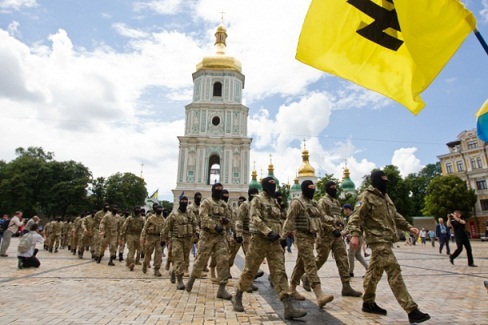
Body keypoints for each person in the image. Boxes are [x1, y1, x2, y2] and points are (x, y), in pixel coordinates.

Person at [347, 170, 430, 324]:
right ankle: (412, 310)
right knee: (394, 270)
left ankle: (368, 302)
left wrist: (408, 227)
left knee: (374, 273)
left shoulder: (386, 197)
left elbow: (395, 215)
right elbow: (355, 217)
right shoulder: (366, 196)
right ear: (375, 181)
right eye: (382, 179)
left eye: (386, 179)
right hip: (377, 240)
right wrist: (355, 234)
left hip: (387, 239)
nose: (385, 182)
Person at [231, 176, 306, 320]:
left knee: (279, 272)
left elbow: (281, 219)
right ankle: (238, 296)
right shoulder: (257, 200)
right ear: (264, 186)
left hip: (274, 242)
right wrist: (268, 231)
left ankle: (288, 307)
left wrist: (283, 236)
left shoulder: (275, 202)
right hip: (259, 240)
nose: (273, 187)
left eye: (274, 184)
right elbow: (254, 218)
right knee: (250, 271)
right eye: (270, 184)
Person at [302, 181, 362, 297]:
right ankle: (307, 276)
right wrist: (331, 229)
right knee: (321, 258)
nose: (334, 189)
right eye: (332, 187)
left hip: (337, 235)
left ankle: (346, 286)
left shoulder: (336, 201)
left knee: (343, 258)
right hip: (325, 235)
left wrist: (341, 226)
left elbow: (337, 217)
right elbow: (321, 218)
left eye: (335, 187)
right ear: (327, 189)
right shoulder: (322, 201)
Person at [284, 180, 334, 307]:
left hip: (311, 237)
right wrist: (283, 237)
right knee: (310, 263)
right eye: (310, 188)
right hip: (301, 236)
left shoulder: (314, 203)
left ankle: (292, 287)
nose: (312, 190)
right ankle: (319, 294)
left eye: (313, 188)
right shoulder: (297, 202)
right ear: (304, 188)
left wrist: (334, 222)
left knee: (301, 264)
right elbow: (289, 220)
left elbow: (323, 218)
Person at [186, 183, 233, 300]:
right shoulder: (206, 202)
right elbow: (203, 217)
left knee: (223, 261)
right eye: (217, 189)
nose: (219, 191)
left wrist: (227, 222)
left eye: (221, 190)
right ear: (212, 190)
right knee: (201, 260)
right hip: (207, 236)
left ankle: (222, 289)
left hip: (220, 237)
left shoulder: (224, 205)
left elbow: (230, 219)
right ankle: (191, 280)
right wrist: (214, 226)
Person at [164, 196, 199, 290]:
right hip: (177, 239)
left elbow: (195, 224)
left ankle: (172, 271)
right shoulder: (173, 214)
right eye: (182, 201)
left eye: (185, 201)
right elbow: (166, 227)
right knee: (179, 259)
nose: (184, 202)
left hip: (188, 240)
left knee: (185, 260)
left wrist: (197, 232)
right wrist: (163, 239)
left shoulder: (190, 213)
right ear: (179, 202)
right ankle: (180, 281)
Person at [343, 203, 368, 277]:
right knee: (358, 255)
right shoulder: (355, 215)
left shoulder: (352, 217)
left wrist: (340, 233)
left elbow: (350, 228)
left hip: (355, 237)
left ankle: (350, 272)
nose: (344, 212)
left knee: (351, 254)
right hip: (359, 237)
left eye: (344, 210)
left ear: (347, 209)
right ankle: (368, 268)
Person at [140, 205, 166, 276]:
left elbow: (165, 231)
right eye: (158, 209)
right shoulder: (150, 218)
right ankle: (145, 263)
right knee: (148, 252)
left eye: (161, 209)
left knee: (158, 253)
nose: (159, 210)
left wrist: (165, 239)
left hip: (159, 238)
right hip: (150, 237)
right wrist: (142, 237)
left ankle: (156, 269)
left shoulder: (163, 220)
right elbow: (144, 228)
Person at [120, 207, 144, 271]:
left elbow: (144, 228)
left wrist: (144, 236)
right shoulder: (129, 218)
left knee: (139, 250)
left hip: (138, 235)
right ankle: (131, 263)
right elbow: (124, 227)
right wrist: (122, 236)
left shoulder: (142, 219)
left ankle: (136, 260)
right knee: (131, 250)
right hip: (130, 235)